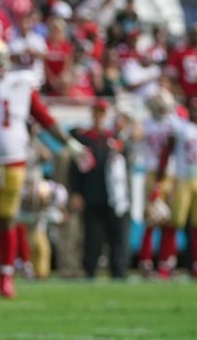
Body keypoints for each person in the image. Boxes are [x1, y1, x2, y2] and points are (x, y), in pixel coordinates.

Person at [0, 39, 90, 300]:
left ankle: (6, 278)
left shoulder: (22, 85)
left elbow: (44, 117)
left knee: (8, 219)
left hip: (14, 160)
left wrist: (71, 144)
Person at [155, 95, 197, 280]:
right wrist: (159, 181)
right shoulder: (179, 127)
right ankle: (166, 264)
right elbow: (166, 153)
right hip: (182, 178)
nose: (195, 109)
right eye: (191, 106)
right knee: (174, 222)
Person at [69, 100, 131, 280]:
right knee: (92, 237)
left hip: (115, 196)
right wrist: (76, 192)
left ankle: (119, 270)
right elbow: (76, 169)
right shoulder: (84, 139)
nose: (99, 117)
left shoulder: (115, 139)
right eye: (96, 113)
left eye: (102, 113)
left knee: (117, 236)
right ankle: (90, 271)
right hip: (92, 194)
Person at [134, 92, 179, 276]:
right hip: (153, 172)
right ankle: (146, 261)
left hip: (172, 173)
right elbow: (135, 135)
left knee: (171, 219)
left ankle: (166, 261)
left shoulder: (174, 123)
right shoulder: (146, 123)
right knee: (152, 218)